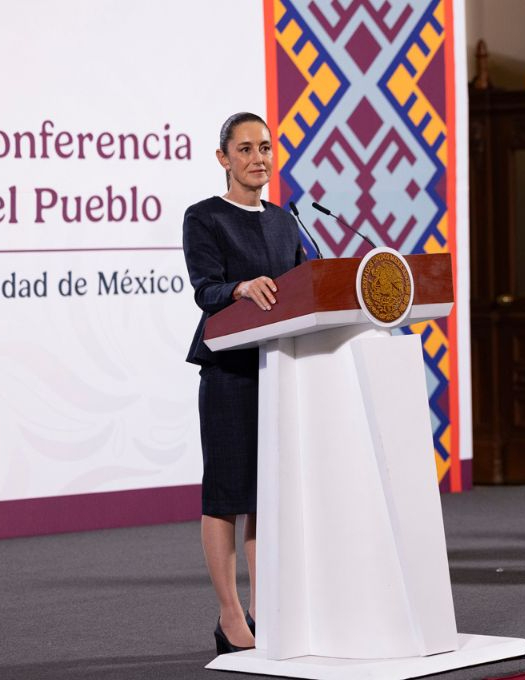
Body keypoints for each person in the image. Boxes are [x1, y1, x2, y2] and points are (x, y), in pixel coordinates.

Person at [182, 112, 308, 653]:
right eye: (246, 149)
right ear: (223, 158)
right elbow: (205, 288)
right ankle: (230, 614)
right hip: (231, 372)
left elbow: (306, 287)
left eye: (266, 147)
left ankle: (264, 608)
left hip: (278, 369)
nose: (259, 158)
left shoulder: (285, 220)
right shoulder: (204, 217)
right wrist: (238, 289)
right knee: (227, 496)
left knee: (265, 498)